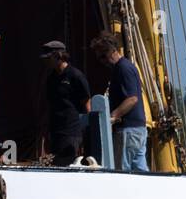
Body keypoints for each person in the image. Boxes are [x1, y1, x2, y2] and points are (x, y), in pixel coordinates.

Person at [90, 31, 149, 172]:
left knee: (122, 171)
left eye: (103, 57)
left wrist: (113, 116)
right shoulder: (127, 67)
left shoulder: (123, 68)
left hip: (127, 131)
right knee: (141, 171)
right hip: (138, 129)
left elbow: (132, 98)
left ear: (111, 52)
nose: (102, 62)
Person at [41, 40, 91, 167]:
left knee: (68, 164)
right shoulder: (51, 78)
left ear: (58, 56)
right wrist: (46, 128)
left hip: (71, 130)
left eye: (49, 58)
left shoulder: (75, 76)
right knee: (55, 163)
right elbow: (49, 103)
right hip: (55, 129)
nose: (46, 62)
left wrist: (87, 130)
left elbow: (86, 101)